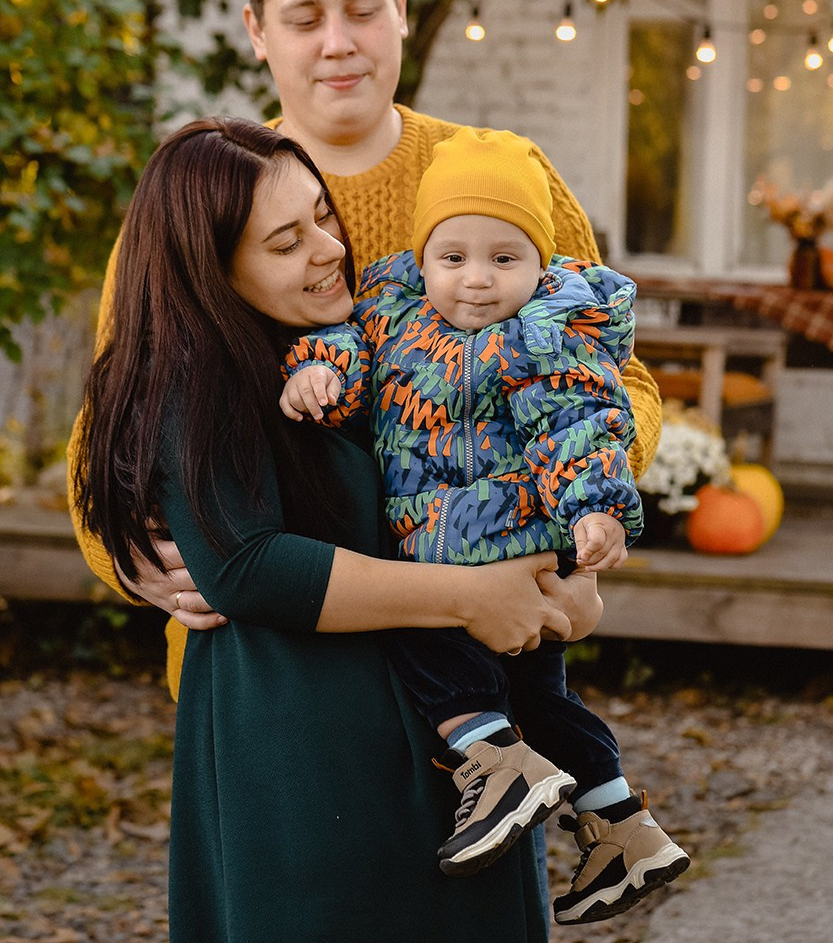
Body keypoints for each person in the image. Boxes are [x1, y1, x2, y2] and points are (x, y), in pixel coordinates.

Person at [70, 0, 662, 699]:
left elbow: (617, 377)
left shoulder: (499, 175)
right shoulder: (198, 213)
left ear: (401, 9)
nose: (337, 43)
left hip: (483, 646)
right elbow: (107, 430)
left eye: (360, 9)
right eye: (304, 17)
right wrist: (130, 559)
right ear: (256, 30)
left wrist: (575, 505)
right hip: (275, 676)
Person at [72, 117, 582, 942]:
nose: (326, 247)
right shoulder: (195, 380)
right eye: (285, 240)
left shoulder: (343, 348)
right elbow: (247, 565)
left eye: (322, 214)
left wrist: (564, 572)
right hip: (306, 759)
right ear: (211, 269)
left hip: (441, 732)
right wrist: (470, 597)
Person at [280, 127, 689, 925]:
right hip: (471, 551)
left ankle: (490, 759)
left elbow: (580, 421)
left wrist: (595, 507)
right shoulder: (391, 314)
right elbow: (346, 349)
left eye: (504, 258)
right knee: (540, 697)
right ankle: (621, 824)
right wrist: (318, 371)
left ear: (539, 263)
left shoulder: (546, 331)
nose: (475, 280)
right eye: (453, 256)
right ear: (422, 257)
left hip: (499, 546)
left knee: (420, 642)